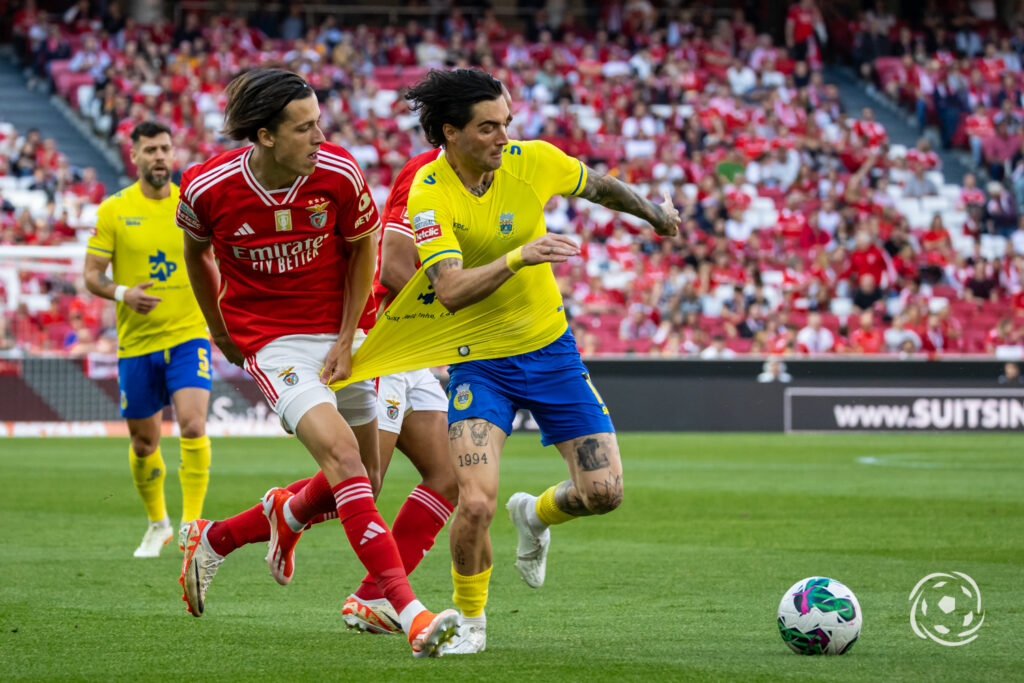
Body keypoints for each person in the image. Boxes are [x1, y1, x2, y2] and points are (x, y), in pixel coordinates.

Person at [175, 68, 456, 657]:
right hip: (272, 341)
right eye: (304, 128)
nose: (320, 137)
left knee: (366, 480)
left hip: (345, 335)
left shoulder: (340, 171)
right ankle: (407, 611)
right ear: (264, 135)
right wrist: (220, 331)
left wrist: (349, 334)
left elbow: (362, 252)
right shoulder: (207, 189)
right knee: (345, 458)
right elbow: (195, 253)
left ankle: (225, 536)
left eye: (319, 123)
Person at [400, 68, 680, 654]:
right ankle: (471, 625)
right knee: (473, 501)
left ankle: (536, 516)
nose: (504, 137)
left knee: (604, 493)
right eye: (488, 127)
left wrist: (655, 214)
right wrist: (520, 256)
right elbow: (449, 290)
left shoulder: (534, 161)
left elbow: (601, 188)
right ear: (450, 132)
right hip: (481, 363)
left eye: (506, 123)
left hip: (552, 352)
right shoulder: (429, 193)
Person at [83, 121, 213, 558]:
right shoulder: (115, 211)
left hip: (188, 335)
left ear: (173, 153)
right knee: (144, 443)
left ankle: (192, 525)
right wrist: (124, 294)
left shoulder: (191, 204)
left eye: (165, 148)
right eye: (150, 150)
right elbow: (92, 276)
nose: (160, 156)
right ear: (134, 156)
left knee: (194, 423)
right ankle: (158, 523)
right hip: (137, 345)